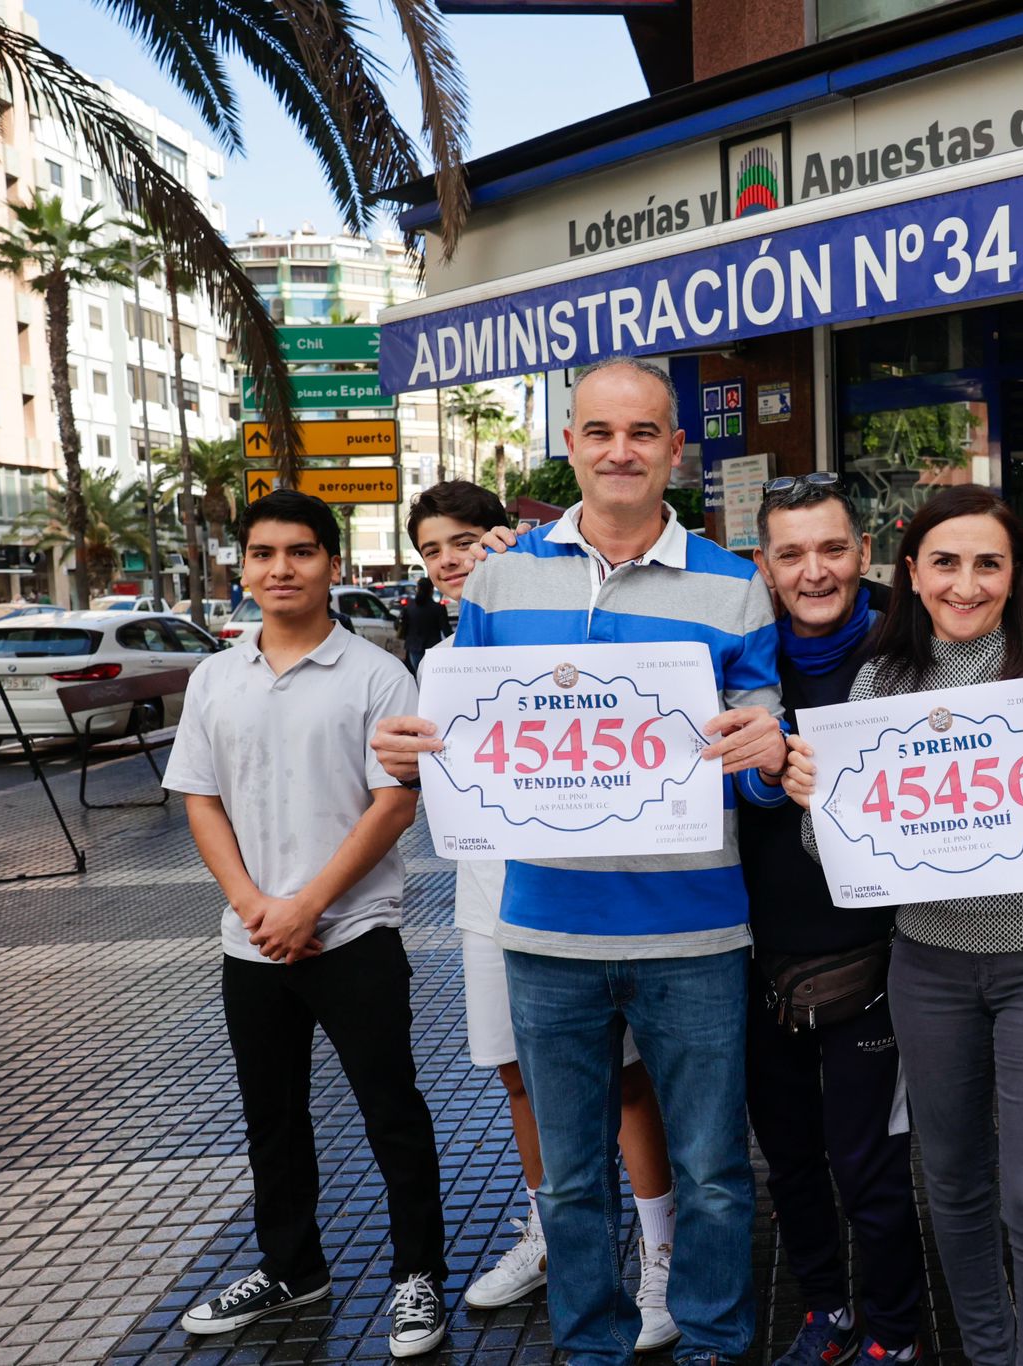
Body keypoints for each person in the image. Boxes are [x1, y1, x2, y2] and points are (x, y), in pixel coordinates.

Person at [370, 357, 786, 1366]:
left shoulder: (734, 588)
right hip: (545, 928)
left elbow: (760, 758)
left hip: (693, 932)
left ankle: (718, 1348)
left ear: (675, 449)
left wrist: (765, 757)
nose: (620, 451)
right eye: (600, 432)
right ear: (571, 445)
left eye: (642, 432)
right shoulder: (502, 582)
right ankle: (591, 1351)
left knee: (715, 1169)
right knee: (565, 1177)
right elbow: (468, 733)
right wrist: (411, 755)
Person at [783, 485, 1023, 1366]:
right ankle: (989, 1352)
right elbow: (833, 845)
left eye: (988, 563)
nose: (966, 582)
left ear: (1016, 573)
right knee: (949, 1182)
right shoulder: (879, 682)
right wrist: (813, 801)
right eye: (945, 562)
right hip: (930, 967)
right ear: (910, 574)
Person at [386, 480, 680, 1347]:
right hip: (487, 889)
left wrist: (532, 585)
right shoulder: (433, 645)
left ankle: (659, 1254)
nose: (450, 559)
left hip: (586, 885)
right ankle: (549, 1234)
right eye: (433, 547)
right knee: (517, 1071)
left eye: (468, 540)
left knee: (622, 1078)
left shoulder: (553, 609)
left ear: (509, 539)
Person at [164, 490, 447, 1358]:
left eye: (299, 552)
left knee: (390, 1110)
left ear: (333, 563)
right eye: (262, 554)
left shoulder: (376, 675)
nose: (279, 569)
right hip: (250, 940)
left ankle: (417, 1277)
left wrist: (307, 905)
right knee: (271, 1115)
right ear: (242, 567)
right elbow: (200, 800)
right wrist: (255, 906)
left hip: (354, 932)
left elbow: (394, 806)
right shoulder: (215, 676)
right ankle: (293, 1268)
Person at [744, 473, 925, 1366]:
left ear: (863, 550)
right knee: (789, 1159)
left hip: (877, 955)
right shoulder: (737, 653)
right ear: (764, 566)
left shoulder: (918, 637)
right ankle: (824, 1308)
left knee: (871, 1163)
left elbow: (1020, 649)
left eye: (831, 549)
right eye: (792, 554)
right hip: (752, 957)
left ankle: (895, 1328)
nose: (814, 572)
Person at [399, 577, 450, 676]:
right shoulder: (438, 608)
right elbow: (446, 632)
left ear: (417, 589)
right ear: (431, 590)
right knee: (431, 678)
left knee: (418, 677)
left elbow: (399, 626)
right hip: (433, 649)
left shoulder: (409, 607)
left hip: (414, 647)